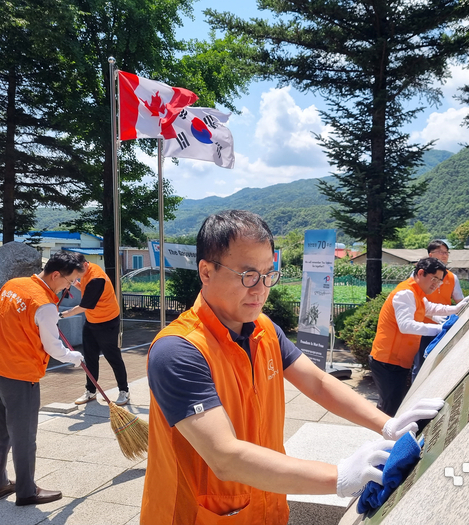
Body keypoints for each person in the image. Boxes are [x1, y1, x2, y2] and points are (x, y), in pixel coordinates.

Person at [140, 210, 444, 524]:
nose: (260, 289)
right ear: (206, 271)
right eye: (247, 275)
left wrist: (387, 425)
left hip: (267, 507)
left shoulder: (264, 329)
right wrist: (339, 477)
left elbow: (317, 383)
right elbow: (224, 456)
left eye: (268, 274)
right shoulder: (178, 350)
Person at [0, 251, 85, 506]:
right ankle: (27, 492)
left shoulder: (12, 285)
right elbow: (54, 349)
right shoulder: (45, 305)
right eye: (69, 281)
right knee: (24, 435)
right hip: (19, 374)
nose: (69, 287)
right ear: (55, 275)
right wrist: (76, 357)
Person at [369, 257, 469, 416]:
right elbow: (406, 325)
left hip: (397, 361)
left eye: (439, 281)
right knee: (390, 409)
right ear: (421, 273)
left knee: (392, 406)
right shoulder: (405, 293)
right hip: (387, 361)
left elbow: (430, 308)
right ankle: (386, 437)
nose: (436, 285)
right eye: (434, 279)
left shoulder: (416, 293)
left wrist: (456, 308)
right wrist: (440, 329)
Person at [61, 259, 130, 406]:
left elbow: (84, 305)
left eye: (77, 273)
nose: (76, 276)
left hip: (107, 321)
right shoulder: (86, 271)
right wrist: (74, 284)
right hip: (92, 321)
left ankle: (124, 390)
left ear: (85, 265)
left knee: (113, 357)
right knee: (90, 357)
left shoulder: (96, 278)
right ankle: (91, 391)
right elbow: (86, 290)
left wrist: (62, 315)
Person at [411, 240, 466, 381]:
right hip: (422, 327)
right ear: (430, 254)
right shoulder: (418, 275)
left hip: (444, 328)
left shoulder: (452, 277)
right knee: (420, 366)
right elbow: (417, 301)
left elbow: (459, 300)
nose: (444, 255)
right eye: (441, 252)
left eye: (446, 252)